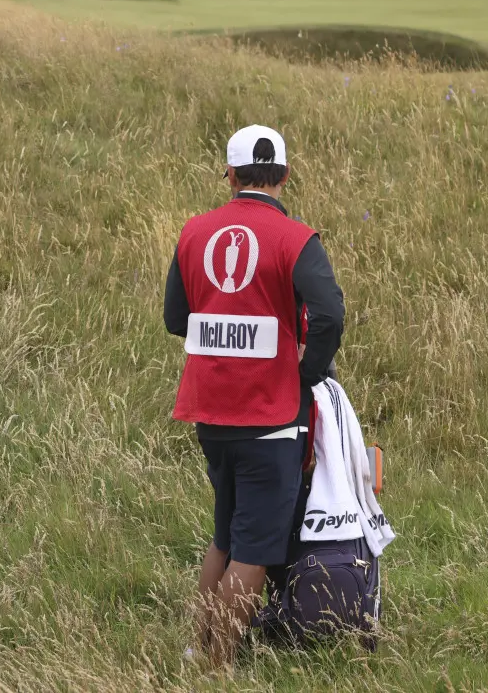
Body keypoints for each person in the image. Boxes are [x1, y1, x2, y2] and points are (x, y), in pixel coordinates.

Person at [163, 125, 344, 667]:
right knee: (257, 549)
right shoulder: (297, 239)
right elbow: (330, 314)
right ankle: (219, 665)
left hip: (209, 412)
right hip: (271, 418)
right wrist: (307, 375)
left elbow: (177, 318)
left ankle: (198, 649)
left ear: (231, 175)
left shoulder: (194, 232)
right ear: (284, 175)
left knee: (225, 534)